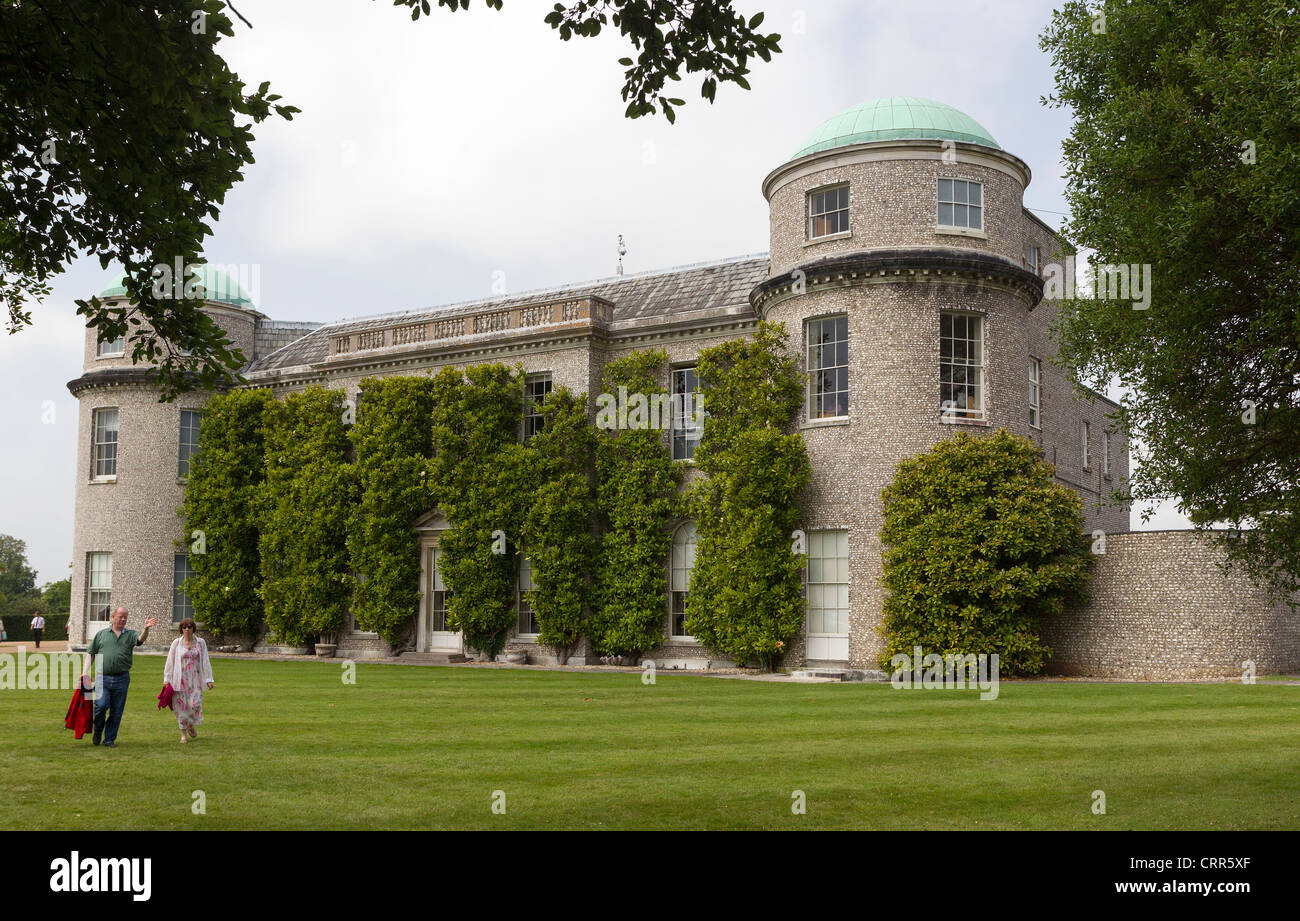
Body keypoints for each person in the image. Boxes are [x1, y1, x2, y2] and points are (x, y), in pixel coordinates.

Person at [82, 607, 156, 748]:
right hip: (102, 678)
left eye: (125, 617)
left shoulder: (130, 635)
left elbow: (140, 639)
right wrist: (85, 672)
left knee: (116, 712)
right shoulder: (101, 634)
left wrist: (146, 629)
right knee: (100, 706)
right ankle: (98, 730)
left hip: (122, 679)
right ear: (113, 616)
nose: (123, 619)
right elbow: (91, 653)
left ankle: (109, 739)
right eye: (120, 616)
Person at [164, 618, 214, 743]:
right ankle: (183, 734)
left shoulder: (200, 643)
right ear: (181, 629)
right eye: (184, 627)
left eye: (189, 627)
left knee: (194, 705)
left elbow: (206, 661)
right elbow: (170, 661)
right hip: (179, 680)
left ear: (193, 628)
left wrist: (209, 679)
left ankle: (190, 725)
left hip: (195, 680)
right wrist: (167, 679)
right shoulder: (176, 643)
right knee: (181, 707)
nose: (187, 629)